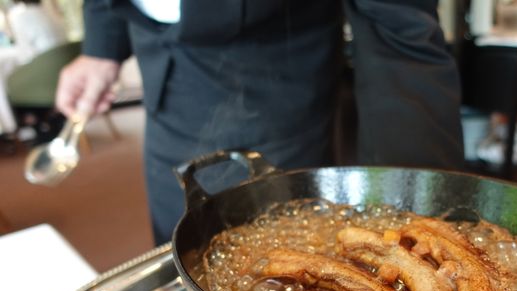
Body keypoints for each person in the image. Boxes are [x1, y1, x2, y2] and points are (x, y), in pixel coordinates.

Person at [56, 0, 465, 245]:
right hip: (162, 72)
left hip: (269, 86)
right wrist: (101, 48)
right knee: (178, 243)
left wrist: (417, 202)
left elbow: (399, 35)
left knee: (276, 272)